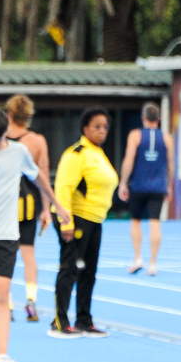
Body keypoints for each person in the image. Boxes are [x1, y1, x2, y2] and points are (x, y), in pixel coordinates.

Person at [0, 108, 68, 362]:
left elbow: (38, 177)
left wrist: (56, 204)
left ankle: (2, 358)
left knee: (0, 294)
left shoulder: (18, 152)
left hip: (5, 234)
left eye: (0, 138)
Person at [48, 108, 118, 339]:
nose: (102, 131)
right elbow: (63, 187)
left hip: (95, 219)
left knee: (89, 271)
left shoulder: (98, 153)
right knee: (70, 269)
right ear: (85, 129)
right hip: (76, 218)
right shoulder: (77, 154)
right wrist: (65, 221)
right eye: (96, 126)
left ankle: (84, 320)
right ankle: (60, 320)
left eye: (105, 127)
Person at [5, 94, 52, 322]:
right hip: (29, 204)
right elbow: (42, 177)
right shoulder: (37, 141)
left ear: (9, 114)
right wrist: (46, 209)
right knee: (29, 254)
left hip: (3, 204)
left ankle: (8, 303)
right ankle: (31, 299)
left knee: (5, 256)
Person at [118, 102, 174, 276]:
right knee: (155, 223)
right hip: (158, 187)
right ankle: (153, 263)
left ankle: (137, 258)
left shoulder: (135, 135)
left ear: (143, 118)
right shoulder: (167, 138)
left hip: (139, 185)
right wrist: (169, 185)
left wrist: (123, 183)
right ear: (159, 119)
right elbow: (171, 165)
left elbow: (129, 159)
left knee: (135, 221)